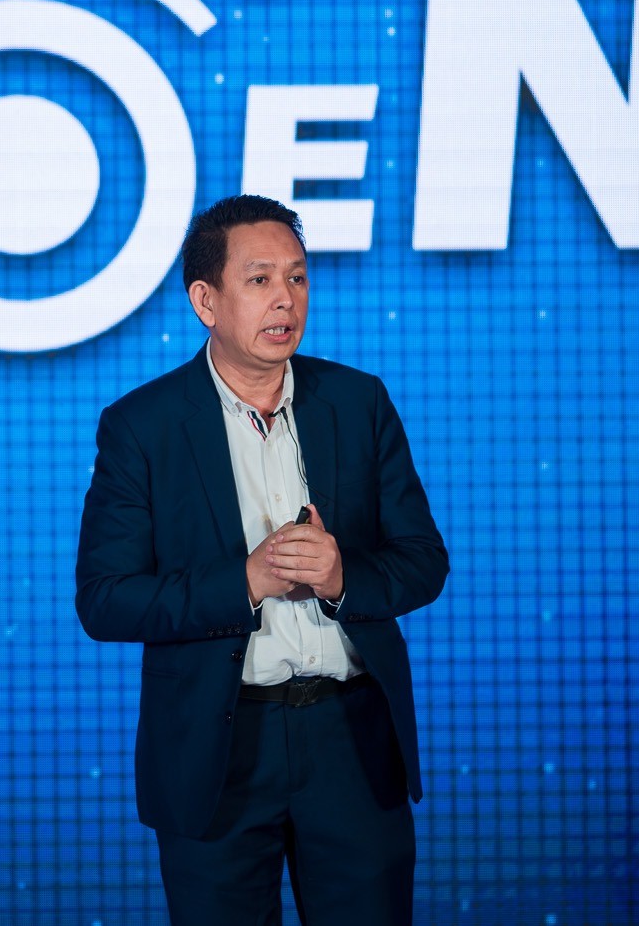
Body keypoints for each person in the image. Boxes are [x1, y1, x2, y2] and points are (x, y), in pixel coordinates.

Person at [75, 193, 450, 925]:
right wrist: (245, 581)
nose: (286, 298)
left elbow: (423, 560)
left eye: (297, 277)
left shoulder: (358, 402)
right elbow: (106, 598)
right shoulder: (142, 427)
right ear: (205, 300)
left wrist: (342, 577)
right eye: (260, 279)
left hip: (351, 739)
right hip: (218, 748)